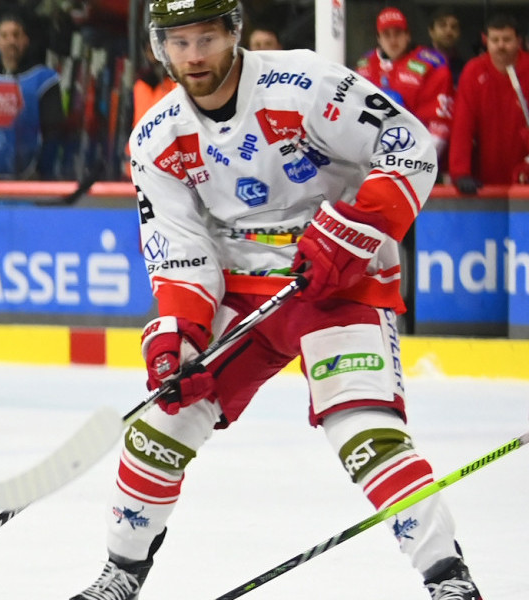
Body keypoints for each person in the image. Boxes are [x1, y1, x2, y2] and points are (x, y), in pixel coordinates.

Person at [74, 1, 480, 598]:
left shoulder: (304, 83)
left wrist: (359, 225)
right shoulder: (156, 137)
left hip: (341, 279)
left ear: (233, 33)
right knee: (159, 427)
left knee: (366, 433)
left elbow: (409, 143)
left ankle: (449, 579)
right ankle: (120, 573)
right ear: (159, 47)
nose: (194, 56)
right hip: (241, 289)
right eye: (179, 42)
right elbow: (179, 245)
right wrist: (181, 332)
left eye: (206, 37)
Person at [0, 13, 66, 179]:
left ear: (25, 40)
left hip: (31, 179)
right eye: (4, 36)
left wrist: (42, 172)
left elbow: (53, 132)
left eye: (16, 35)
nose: (11, 41)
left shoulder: (44, 80)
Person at [450, 14, 529, 195]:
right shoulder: (473, 71)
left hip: (524, 177)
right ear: (485, 40)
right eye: (495, 40)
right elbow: (462, 125)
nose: (501, 45)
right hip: (485, 177)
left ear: (518, 41)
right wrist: (460, 172)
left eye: (507, 39)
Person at [357, 7, 453, 153]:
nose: (393, 40)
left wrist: (417, 158)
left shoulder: (432, 64)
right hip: (369, 154)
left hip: (415, 154)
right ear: (378, 39)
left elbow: (439, 126)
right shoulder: (365, 65)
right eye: (386, 34)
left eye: (398, 33)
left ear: (408, 35)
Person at [426, 8, 467, 83]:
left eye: (454, 27)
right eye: (442, 25)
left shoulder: (464, 67)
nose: (449, 31)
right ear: (431, 31)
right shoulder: (418, 60)